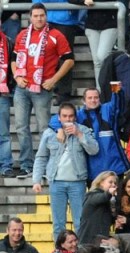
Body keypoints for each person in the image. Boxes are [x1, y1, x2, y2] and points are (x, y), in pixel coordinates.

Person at [11, 3, 74, 179]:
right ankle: (26, 165)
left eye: (42, 15)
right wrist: (17, 76)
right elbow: (14, 58)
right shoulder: (22, 35)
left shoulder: (56, 35)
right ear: (30, 17)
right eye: (36, 16)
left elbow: (69, 60)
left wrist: (54, 79)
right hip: (22, 87)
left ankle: (47, 165)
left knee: (44, 129)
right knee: (21, 127)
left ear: (46, 16)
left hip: (42, 88)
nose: (39, 19)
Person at [32, 102, 100, 241]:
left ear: (75, 117)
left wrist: (79, 134)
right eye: (64, 116)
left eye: (70, 116)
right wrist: (36, 180)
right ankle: (60, 252)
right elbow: (41, 157)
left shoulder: (83, 130)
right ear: (59, 117)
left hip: (78, 182)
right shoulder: (50, 133)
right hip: (56, 182)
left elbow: (94, 150)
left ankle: (80, 251)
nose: (68, 119)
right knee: (58, 224)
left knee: (80, 222)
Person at [77, 87, 130, 181]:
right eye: (90, 98)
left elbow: (118, 103)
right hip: (93, 171)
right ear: (83, 100)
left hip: (114, 167)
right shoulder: (78, 115)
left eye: (96, 97)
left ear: (99, 99)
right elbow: (59, 119)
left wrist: (117, 90)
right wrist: (59, 129)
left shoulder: (107, 109)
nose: (93, 100)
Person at [83, 0, 121, 87]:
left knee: (102, 56)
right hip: (91, 24)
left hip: (110, 23)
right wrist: (83, 1)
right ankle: (100, 90)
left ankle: (109, 87)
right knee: (97, 62)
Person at [77, 171, 117, 244]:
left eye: (115, 183)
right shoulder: (92, 195)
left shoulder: (109, 199)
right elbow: (101, 198)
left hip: (100, 239)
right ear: (101, 183)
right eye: (110, 182)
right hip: (87, 240)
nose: (113, 185)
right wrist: (109, 193)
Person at [0, 27, 14, 178]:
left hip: (2, 93)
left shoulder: (8, 42)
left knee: (3, 133)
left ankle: (5, 165)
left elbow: (13, 65)